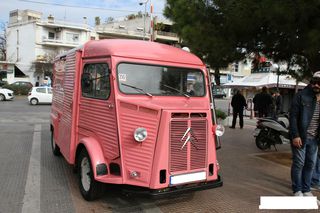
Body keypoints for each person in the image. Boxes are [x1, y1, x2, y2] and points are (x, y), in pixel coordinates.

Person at [290, 71, 320, 198]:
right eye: (314, 81)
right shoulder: (301, 95)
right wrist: (295, 135)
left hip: (315, 138)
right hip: (301, 137)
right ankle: (297, 189)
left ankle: (306, 189)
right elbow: (293, 117)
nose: (316, 85)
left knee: (310, 164)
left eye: (319, 82)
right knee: (299, 163)